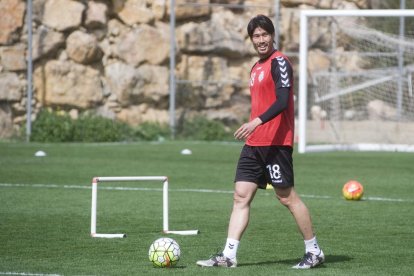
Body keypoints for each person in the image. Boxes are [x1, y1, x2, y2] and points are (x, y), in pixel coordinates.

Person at [196, 14, 324, 269]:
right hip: (254, 144)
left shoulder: (280, 63)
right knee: (240, 196)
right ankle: (229, 255)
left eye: (265, 34)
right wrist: (254, 127)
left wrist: (256, 121)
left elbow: (282, 99)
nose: (261, 40)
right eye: (256, 36)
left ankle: (314, 251)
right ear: (251, 39)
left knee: (286, 197)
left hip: (276, 143)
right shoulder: (256, 67)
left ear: (272, 35)